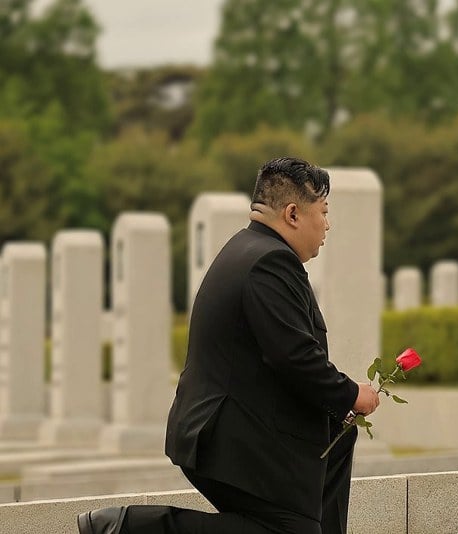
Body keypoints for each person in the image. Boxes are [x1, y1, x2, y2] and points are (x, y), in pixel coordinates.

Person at [77, 157, 380, 534]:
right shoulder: (269, 261)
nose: (327, 224)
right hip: (226, 440)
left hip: (236, 434)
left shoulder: (249, 248)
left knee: (329, 460)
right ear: (292, 214)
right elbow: (294, 356)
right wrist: (352, 393)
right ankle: (127, 527)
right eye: (323, 211)